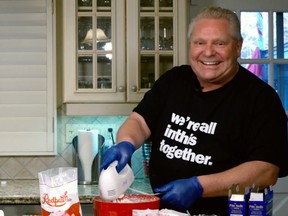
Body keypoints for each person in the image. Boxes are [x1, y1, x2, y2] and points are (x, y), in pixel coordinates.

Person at [100, 6, 288, 215]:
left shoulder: (262, 99)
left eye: (220, 43)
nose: (208, 52)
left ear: (238, 46)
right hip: (166, 212)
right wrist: (126, 142)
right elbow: (140, 121)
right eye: (200, 43)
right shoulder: (174, 80)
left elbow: (266, 171)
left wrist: (199, 187)